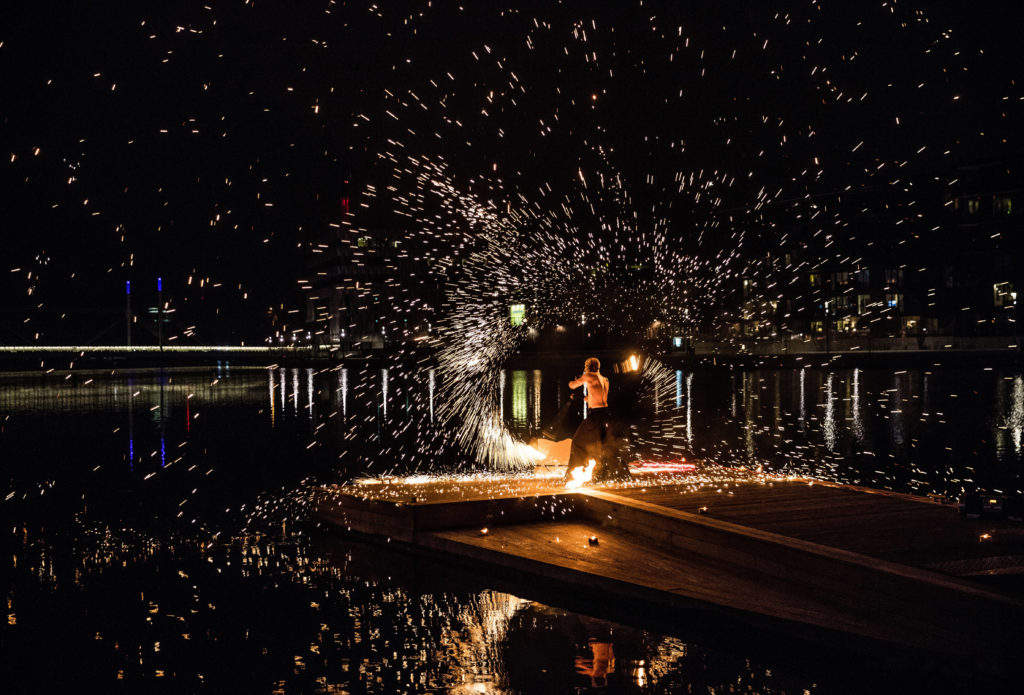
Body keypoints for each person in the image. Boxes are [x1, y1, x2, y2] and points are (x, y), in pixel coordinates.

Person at [565, 357, 611, 480]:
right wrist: (580, 398)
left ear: (588, 367)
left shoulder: (588, 376)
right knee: (602, 445)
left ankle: (573, 474)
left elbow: (572, 386)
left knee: (577, 441)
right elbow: (596, 399)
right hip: (605, 415)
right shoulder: (605, 380)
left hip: (594, 416)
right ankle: (602, 475)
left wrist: (573, 380)